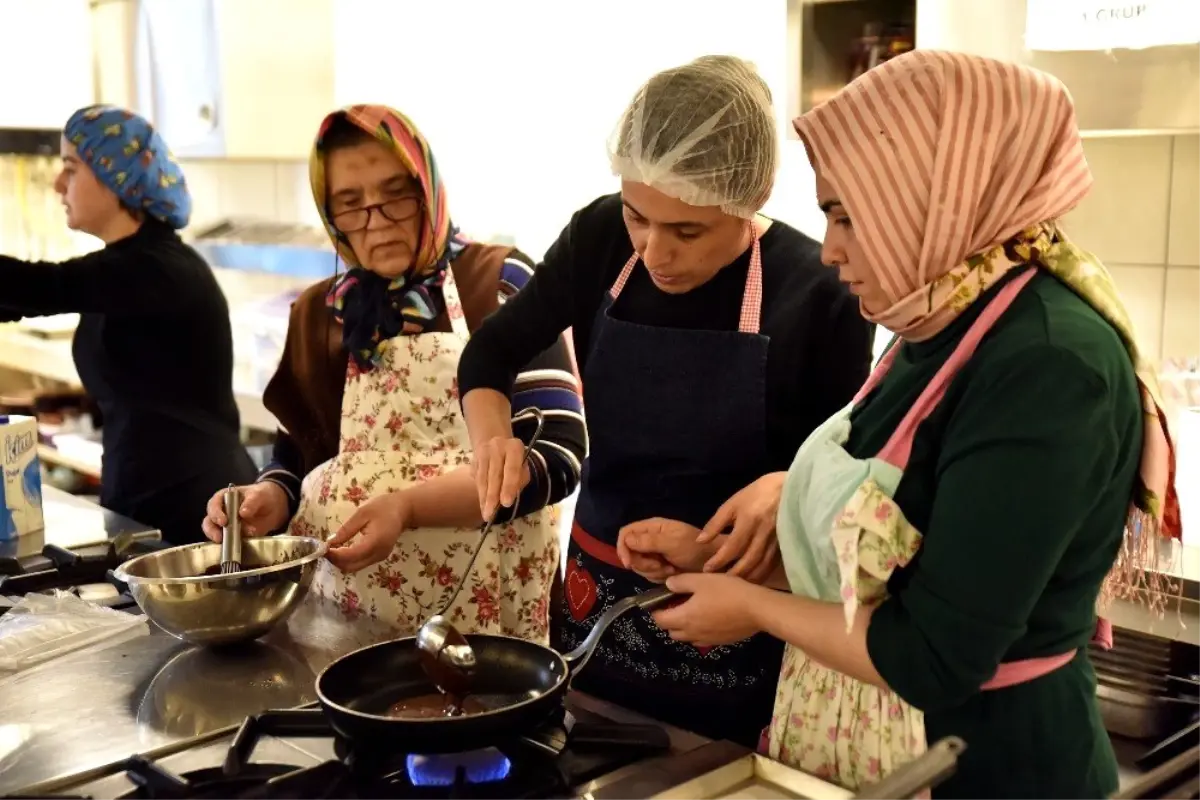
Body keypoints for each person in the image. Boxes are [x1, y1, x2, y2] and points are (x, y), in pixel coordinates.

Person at [641, 51, 1182, 798]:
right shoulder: (937, 319)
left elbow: (936, 652)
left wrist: (755, 609)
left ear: (937, 197)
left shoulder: (1050, 365)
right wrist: (723, 563)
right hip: (869, 752)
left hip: (987, 766)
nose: (828, 249)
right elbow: (899, 558)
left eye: (846, 216)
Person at [457, 56, 874, 747]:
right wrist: (493, 437)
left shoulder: (819, 291)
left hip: (734, 624)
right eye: (637, 218)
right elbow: (490, 353)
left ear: (751, 199)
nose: (654, 252)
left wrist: (713, 550)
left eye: (687, 232)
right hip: (594, 616)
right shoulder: (598, 238)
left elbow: (827, 493)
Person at [202, 105, 584, 641]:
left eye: (395, 196)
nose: (376, 222)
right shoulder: (321, 312)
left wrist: (407, 508)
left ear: (426, 189)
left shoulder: (498, 281)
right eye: (351, 205)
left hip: (486, 624)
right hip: (345, 622)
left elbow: (558, 454)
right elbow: (300, 452)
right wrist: (273, 497)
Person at [0, 105, 255, 545]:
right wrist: (39, 402)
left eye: (71, 168)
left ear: (114, 175)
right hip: (144, 498)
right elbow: (140, 386)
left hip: (192, 508)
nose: (58, 183)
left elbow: (37, 288)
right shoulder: (126, 268)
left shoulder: (155, 268)